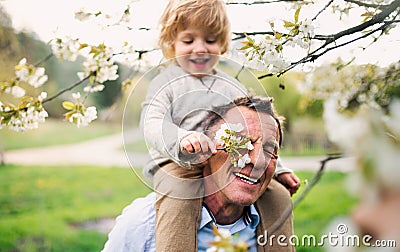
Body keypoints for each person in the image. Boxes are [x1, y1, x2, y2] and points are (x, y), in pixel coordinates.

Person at [140, 0, 300, 250]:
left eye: (210, 40)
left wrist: (279, 168)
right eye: (189, 40)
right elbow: (152, 122)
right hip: (179, 163)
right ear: (172, 42)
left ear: (223, 44)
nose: (200, 49)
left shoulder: (230, 86)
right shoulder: (166, 83)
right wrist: (181, 139)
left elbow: (257, 134)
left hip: (228, 159)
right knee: (179, 198)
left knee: (277, 194)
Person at [103, 96, 295, 251]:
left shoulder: (275, 224)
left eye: (270, 149)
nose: (258, 161)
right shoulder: (143, 223)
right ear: (204, 153)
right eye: (241, 143)